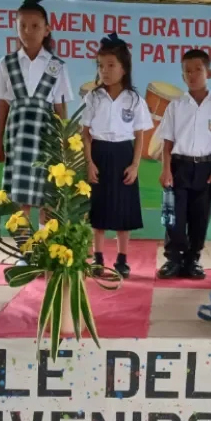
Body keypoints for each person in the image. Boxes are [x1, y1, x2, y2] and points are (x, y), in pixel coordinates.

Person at [0, 0, 74, 262]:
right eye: (22, 25)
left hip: (45, 136)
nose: (28, 31)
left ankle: (45, 249)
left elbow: (60, 107)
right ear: (16, 28)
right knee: (21, 197)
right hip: (18, 135)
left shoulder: (56, 66)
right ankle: (26, 251)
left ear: (46, 29)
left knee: (46, 198)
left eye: (35, 25)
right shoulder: (7, 63)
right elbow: (3, 103)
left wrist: (65, 141)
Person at [81, 33, 153, 279]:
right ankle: (98, 257)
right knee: (98, 209)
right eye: (101, 66)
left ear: (124, 68)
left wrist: (135, 165)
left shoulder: (134, 99)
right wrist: (89, 162)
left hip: (123, 153)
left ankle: (122, 259)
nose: (105, 71)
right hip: (99, 153)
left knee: (124, 210)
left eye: (111, 65)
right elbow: (86, 133)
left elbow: (140, 135)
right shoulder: (93, 97)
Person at [156, 50, 211, 280]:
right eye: (187, 71)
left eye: (198, 69)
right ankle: (173, 259)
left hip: (206, 169)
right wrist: (166, 169)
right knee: (173, 216)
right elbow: (167, 142)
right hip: (179, 166)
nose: (193, 75)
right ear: (182, 75)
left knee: (200, 216)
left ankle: (193, 260)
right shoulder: (176, 106)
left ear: (210, 73)